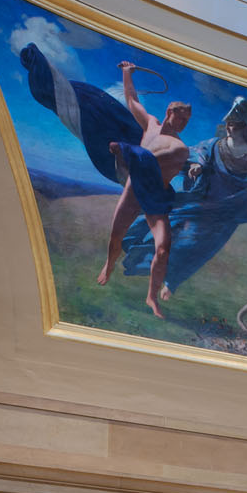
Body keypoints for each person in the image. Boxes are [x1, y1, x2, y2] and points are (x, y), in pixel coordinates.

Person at [95, 63, 193, 317]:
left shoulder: (180, 148)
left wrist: (124, 151)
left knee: (163, 248)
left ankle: (151, 297)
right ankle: (109, 264)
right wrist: (127, 72)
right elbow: (131, 100)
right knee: (115, 236)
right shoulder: (150, 124)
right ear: (170, 110)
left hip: (155, 196)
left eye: (187, 121)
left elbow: (150, 160)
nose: (183, 123)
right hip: (134, 189)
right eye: (181, 117)